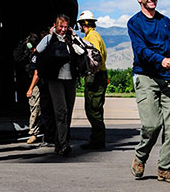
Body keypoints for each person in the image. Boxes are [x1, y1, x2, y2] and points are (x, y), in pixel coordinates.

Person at [128, 0, 170, 183]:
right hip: (146, 77)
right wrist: (161, 60)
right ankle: (140, 156)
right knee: (152, 125)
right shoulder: (134, 23)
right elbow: (141, 51)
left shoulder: (167, 22)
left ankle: (166, 168)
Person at [36, 14, 76, 156]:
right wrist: (51, 36)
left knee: (68, 111)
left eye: (66, 27)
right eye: (61, 27)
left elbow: (80, 51)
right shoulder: (49, 38)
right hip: (55, 79)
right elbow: (38, 51)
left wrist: (74, 37)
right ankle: (63, 144)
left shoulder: (71, 40)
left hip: (70, 79)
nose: (63, 30)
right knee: (61, 111)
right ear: (55, 25)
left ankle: (61, 143)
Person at [77, 10, 109, 150]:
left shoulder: (92, 37)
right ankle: (96, 140)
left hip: (96, 76)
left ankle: (98, 141)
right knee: (94, 108)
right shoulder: (93, 35)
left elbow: (95, 57)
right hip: (98, 76)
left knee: (93, 109)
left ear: (84, 24)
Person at [14, 33, 42, 145]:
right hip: (32, 83)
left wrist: (30, 89)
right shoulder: (32, 55)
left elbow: (37, 73)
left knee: (35, 109)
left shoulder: (37, 55)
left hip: (35, 85)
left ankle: (33, 133)